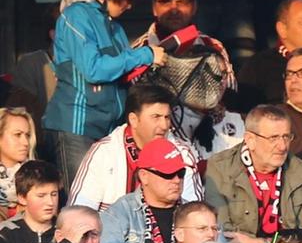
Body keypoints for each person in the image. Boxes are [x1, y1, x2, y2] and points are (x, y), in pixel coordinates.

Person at [43, 0, 164, 186]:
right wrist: (145, 55)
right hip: (75, 127)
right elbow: (93, 69)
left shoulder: (116, 29)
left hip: (110, 130)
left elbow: (122, 74)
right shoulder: (75, 15)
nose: (129, 5)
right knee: (81, 204)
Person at [205, 106, 302, 243]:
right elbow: (225, 236)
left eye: (286, 137)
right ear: (250, 140)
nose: (282, 146)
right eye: (273, 138)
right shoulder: (220, 168)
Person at [69, 84, 202, 212]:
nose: (164, 125)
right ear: (133, 119)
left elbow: (193, 214)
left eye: (167, 117)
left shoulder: (181, 154)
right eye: (156, 117)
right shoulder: (104, 153)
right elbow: (79, 212)